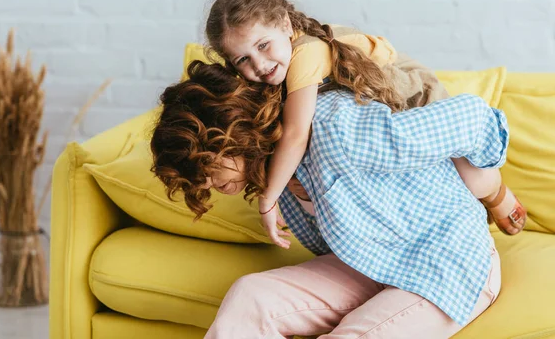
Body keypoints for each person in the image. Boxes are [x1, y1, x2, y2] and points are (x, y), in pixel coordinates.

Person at [151, 61, 507, 338]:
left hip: (449, 263)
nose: (208, 184)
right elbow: (334, 238)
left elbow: (471, 118)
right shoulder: (273, 174)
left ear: (227, 133)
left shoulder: (335, 124)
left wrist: (493, 190)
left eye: (206, 168)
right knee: (251, 297)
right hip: (373, 264)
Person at [204, 0, 525, 245]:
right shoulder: (278, 66)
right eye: (242, 60)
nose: (259, 65)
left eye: (262, 45)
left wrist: (268, 198)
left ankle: (499, 196)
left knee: (471, 177)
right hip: (378, 105)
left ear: (286, 25)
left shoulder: (305, 54)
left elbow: (296, 133)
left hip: (410, 92)